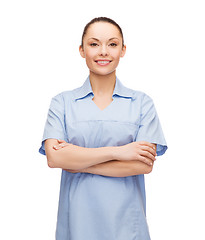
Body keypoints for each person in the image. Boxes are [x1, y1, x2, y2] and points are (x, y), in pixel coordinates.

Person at [39, 17, 167, 240]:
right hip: (77, 225)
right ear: (81, 50)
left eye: (113, 44)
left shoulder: (141, 103)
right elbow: (54, 158)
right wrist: (118, 152)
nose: (103, 52)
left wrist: (76, 161)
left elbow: (142, 165)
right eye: (94, 43)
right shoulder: (62, 103)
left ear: (123, 50)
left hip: (127, 227)